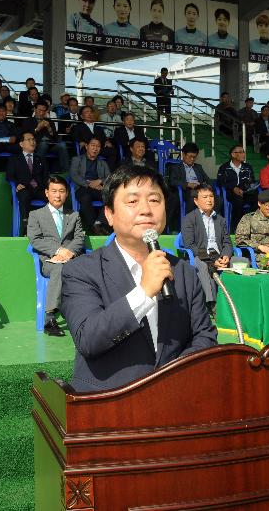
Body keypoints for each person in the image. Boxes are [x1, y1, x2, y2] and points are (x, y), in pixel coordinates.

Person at [61, 165, 217, 392]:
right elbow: (89, 339)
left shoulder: (184, 271)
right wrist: (143, 293)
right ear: (109, 214)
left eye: (155, 200)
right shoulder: (81, 271)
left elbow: (205, 336)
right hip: (107, 404)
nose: (146, 209)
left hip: (175, 397)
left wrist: (171, 378)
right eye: (132, 201)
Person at [27, 175, 86, 337]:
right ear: (47, 193)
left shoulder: (73, 215)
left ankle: (88, 314)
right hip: (50, 261)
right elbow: (35, 240)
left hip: (72, 259)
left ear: (66, 194)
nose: (58, 195)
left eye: (61, 191)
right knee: (59, 269)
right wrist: (58, 251)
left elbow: (79, 237)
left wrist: (69, 252)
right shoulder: (36, 215)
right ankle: (50, 319)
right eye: (54, 191)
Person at [180, 183, 232, 311]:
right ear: (196, 201)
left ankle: (237, 301)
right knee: (202, 266)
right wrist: (210, 259)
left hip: (219, 254)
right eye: (204, 197)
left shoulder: (220, 220)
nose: (209, 199)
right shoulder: (189, 219)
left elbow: (227, 242)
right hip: (201, 255)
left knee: (241, 262)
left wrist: (226, 256)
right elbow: (189, 245)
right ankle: (212, 304)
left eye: (211, 196)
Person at [70, 137, 110, 235]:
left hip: (99, 188)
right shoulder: (77, 160)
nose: (95, 148)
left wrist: (100, 180)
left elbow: (110, 178)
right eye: (93, 145)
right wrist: (90, 184)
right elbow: (74, 175)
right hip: (83, 187)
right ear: (87, 146)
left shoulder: (103, 163)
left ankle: (99, 222)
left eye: (98, 146)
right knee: (85, 198)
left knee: (110, 197)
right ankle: (93, 226)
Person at [165, 142, 210, 229]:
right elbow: (172, 181)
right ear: (183, 154)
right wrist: (188, 184)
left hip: (199, 190)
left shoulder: (198, 167)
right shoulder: (176, 167)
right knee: (192, 197)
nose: (192, 159)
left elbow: (207, 179)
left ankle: (210, 226)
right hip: (186, 191)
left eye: (194, 157)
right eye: (190, 156)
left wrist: (207, 185)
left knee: (217, 198)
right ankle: (190, 227)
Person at [6, 131, 48, 225]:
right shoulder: (14, 159)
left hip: (39, 189)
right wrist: (16, 184)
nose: (32, 142)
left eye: (33, 139)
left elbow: (45, 176)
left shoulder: (40, 159)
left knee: (54, 196)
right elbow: (9, 176)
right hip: (24, 188)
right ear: (21, 144)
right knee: (24, 195)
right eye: (28, 139)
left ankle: (55, 227)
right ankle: (26, 226)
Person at [217, 144, 257, 230]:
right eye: (241, 152)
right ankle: (237, 227)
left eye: (243, 152)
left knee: (258, 198)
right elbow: (221, 181)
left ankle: (252, 226)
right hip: (230, 192)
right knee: (238, 200)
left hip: (245, 192)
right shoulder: (224, 167)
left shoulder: (247, 167)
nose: (243, 154)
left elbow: (252, 181)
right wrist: (233, 188)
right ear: (233, 154)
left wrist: (248, 188)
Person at [25, 101, 69, 172]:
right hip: (36, 145)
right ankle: (38, 170)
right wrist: (37, 129)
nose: (41, 113)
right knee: (43, 144)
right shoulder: (28, 120)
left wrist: (49, 128)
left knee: (62, 145)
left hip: (51, 145)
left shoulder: (49, 121)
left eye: (44, 111)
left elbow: (56, 138)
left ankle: (66, 171)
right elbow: (26, 137)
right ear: (35, 109)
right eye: (39, 110)